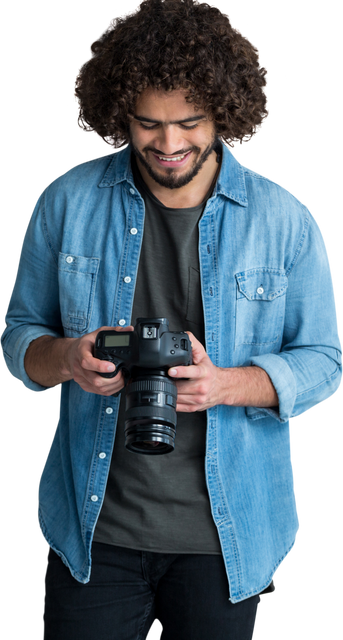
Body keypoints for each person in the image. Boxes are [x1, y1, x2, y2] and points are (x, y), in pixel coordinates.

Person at [1, 1, 342, 639]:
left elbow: (324, 362)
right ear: (119, 112)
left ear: (224, 110)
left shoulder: (283, 219)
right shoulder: (66, 201)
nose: (169, 144)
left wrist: (228, 384)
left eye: (189, 122)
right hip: (93, 525)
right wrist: (69, 359)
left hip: (229, 535)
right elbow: (19, 337)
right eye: (148, 124)